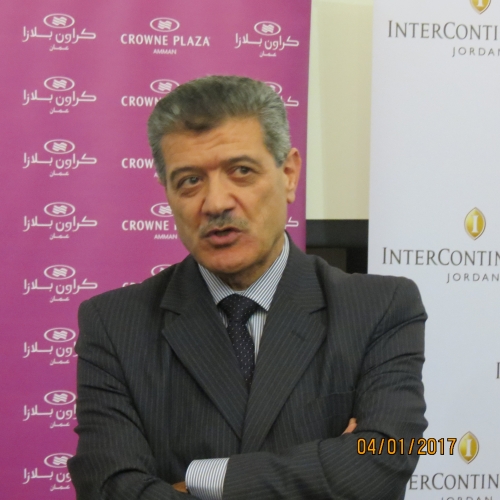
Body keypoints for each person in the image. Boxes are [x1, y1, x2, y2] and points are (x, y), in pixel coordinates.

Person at [68, 75, 427, 500]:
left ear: (288, 174)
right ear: (167, 193)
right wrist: (334, 460)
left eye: (241, 171)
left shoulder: (380, 308)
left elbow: (387, 458)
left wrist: (205, 479)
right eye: (190, 181)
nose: (216, 203)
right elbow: (108, 486)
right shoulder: (114, 325)